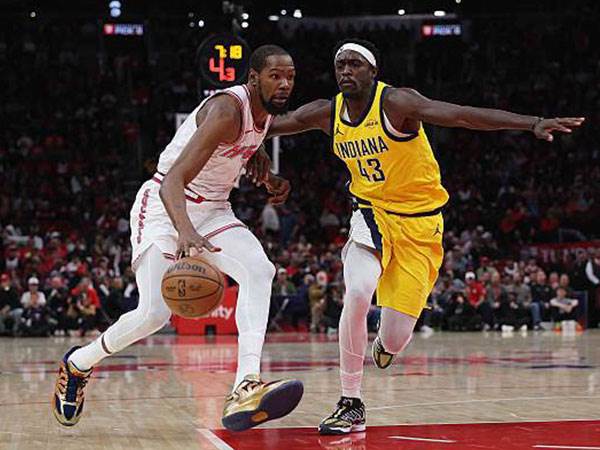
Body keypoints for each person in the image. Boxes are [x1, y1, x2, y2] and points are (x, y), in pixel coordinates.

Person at [250, 38, 584, 434]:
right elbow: (265, 125)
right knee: (358, 292)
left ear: (373, 71)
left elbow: (461, 116)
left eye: (355, 64)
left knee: (395, 339)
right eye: (340, 64)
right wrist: (252, 145)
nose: (346, 71)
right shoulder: (327, 112)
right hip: (371, 214)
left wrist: (531, 123)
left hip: (420, 225)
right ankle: (350, 402)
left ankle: (385, 345)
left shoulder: (397, 103)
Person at [52, 45, 303, 431]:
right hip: (164, 206)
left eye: (290, 77)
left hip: (214, 209)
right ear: (254, 79)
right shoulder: (227, 110)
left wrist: (268, 177)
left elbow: (245, 151)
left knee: (259, 270)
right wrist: (186, 233)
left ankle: (245, 385)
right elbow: (172, 180)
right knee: (154, 313)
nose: (284, 83)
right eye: (275, 76)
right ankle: (78, 363)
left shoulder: (265, 113)